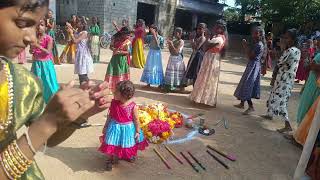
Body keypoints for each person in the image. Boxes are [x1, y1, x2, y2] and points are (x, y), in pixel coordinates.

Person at [0, 1, 112, 180]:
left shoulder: (25, 82)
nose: (31, 38)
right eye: (22, 23)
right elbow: (42, 131)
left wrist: (78, 115)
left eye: (36, 25)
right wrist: (47, 123)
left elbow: (48, 140)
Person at [99, 80, 148, 171]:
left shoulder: (133, 106)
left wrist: (137, 131)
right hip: (115, 128)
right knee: (112, 143)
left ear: (123, 94)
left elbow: (136, 120)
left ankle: (126, 155)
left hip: (128, 130)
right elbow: (110, 115)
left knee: (126, 143)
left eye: (116, 91)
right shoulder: (114, 103)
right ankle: (110, 159)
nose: (113, 92)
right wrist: (105, 126)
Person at [261, 29, 301, 133]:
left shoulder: (290, 51)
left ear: (292, 39)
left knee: (281, 100)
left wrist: (279, 50)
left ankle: (287, 124)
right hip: (287, 79)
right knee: (275, 95)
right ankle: (269, 114)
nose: (284, 39)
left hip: (284, 78)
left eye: (286, 38)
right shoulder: (297, 50)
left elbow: (279, 62)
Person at [189, 19, 227, 107]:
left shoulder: (219, 38)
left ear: (221, 29)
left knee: (208, 79)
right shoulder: (217, 36)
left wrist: (207, 36)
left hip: (212, 60)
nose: (214, 28)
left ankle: (206, 100)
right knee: (204, 78)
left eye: (217, 27)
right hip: (210, 59)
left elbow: (206, 46)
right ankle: (200, 98)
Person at [234, 26, 265, 115]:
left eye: (256, 33)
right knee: (245, 83)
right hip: (252, 66)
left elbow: (251, 56)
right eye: (253, 33)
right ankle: (242, 103)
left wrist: (245, 46)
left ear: (260, 35)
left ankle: (251, 107)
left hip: (253, 66)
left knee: (248, 84)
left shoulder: (259, 45)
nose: (253, 35)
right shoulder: (257, 44)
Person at [30, 19, 59, 103]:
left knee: (49, 83)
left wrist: (38, 46)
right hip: (36, 64)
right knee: (36, 83)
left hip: (46, 65)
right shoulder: (34, 38)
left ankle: (52, 102)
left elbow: (48, 51)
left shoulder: (49, 38)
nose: (39, 27)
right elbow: (31, 51)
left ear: (46, 27)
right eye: (38, 25)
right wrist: (32, 49)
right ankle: (38, 102)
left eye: (42, 25)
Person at [296, 36, 320, 124]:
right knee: (306, 106)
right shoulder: (317, 53)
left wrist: (313, 65)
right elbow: (309, 67)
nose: (316, 42)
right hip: (312, 83)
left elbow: (312, 67)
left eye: (318, 41)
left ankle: (300, 133)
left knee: (307, 107)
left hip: (315, 86)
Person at [70, 18, 94, 85]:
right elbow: (73, 41)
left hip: (83, 55)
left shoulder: (84, 33)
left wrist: (71, 33)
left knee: (83, 74)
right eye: (76, 22)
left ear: (83, 24)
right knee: (80, 74)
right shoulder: (77, 32)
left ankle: (88, 86)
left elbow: (75, 41)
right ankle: (83, 87)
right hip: (79, 54)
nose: (76, 23)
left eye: (78, 22)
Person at [164, 27, 185, 92]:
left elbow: (176, 52)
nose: (175, 34)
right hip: (172, 59)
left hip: (177, 60)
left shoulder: (181, 41)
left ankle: (178, 87)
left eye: (176, 33)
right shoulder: (175, 41)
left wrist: (171, 44)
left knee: (177, 74)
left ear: (180, 33)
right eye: (175, 32)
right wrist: (169, 45)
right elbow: (171, 51)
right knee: (171, 74)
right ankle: (170, 86)